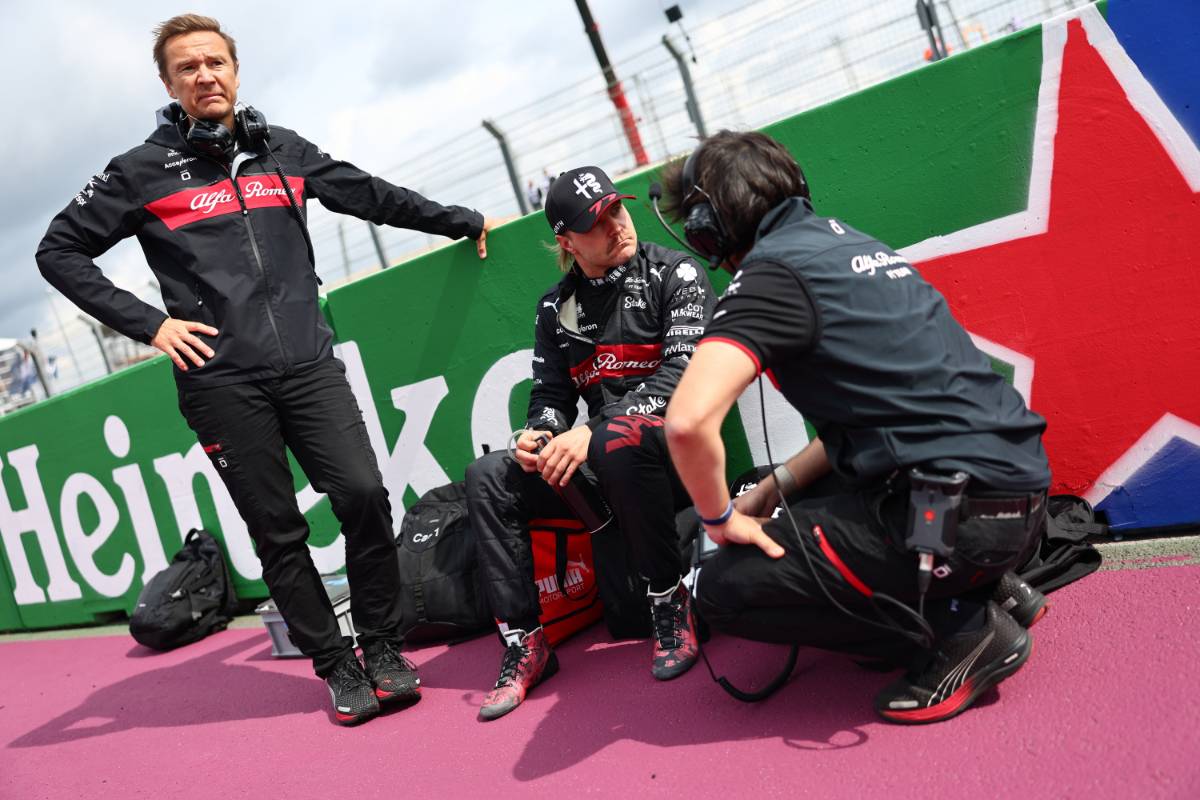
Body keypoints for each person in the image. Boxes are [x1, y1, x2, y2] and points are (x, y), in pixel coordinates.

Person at [36, 14, 495, 726]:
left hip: (309, 364)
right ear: (167, 83)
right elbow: (58, 250)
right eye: (187, 67)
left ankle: (379, 645)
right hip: (220, 382)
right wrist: (149, 324)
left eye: (215, 62)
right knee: (277, 530)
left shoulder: (281, 149)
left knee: (365, 495)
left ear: (236, 70)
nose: (205, 76)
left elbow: (368, 193)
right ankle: (336, 666)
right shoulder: (138, 170)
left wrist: (457, 219)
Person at [660, 130, 1051, 724]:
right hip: (1015, 496)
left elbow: (686, 424)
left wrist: (719, 520)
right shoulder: (851, 244)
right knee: (809, 492)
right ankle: (991, 586)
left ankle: (961, 628)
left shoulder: (769, 273)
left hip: (955, 517)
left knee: (721, 588)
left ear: (709, 227)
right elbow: (876, 422)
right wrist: (770, 489)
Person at [466, 165, 715, 721]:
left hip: (677, 455)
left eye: (616, 210)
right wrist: (540, 434)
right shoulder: (557, 308)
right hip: (603, 462)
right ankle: (525, 643)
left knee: (616, 441)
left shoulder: (677, 273)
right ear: (566, 241)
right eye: (596, 222)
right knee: (489, 478)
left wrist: (593, 432)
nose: (616, 226)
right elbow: (551, 395)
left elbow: (686, 375)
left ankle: (670, 604)